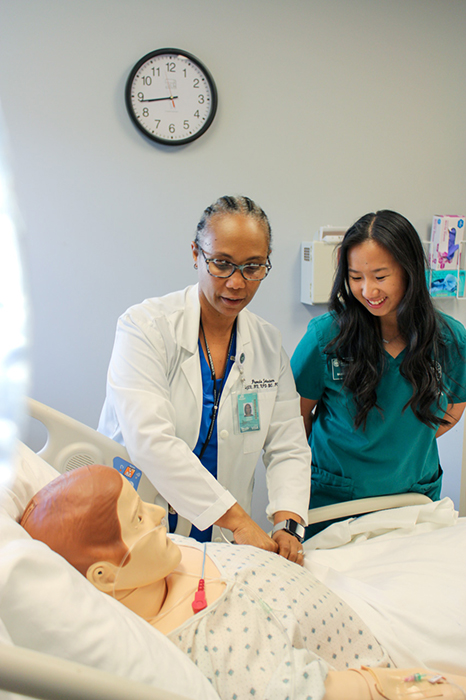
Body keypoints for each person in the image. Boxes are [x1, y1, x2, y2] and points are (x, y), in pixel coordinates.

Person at [21, 465, 466, 700]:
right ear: (104, 576)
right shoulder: (207, 647)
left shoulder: (160, 557)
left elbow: (287, 439)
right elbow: (318, 691)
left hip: (342, 574)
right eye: (140, 516)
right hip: (380, 628)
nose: (160, 514)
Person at [98, 195, 311, 562]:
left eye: (252, 267)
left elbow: (288, 444)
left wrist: (288, 522)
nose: (236, 283)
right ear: (196, 254)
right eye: (222, 264)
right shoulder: (145, 327)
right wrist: (240, 521)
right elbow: (149, 439)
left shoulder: (266, 343)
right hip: (134, 524)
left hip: (221, 541)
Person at [291, 210, 466, 538]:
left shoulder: (449, 340)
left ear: (408, 270)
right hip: (335, 498)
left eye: (380, 276)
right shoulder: (325, 336)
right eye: (356, 277)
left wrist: (406, 439)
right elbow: (293, 417)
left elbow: (455, 408)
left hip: (412, 499)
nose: (368, 289)